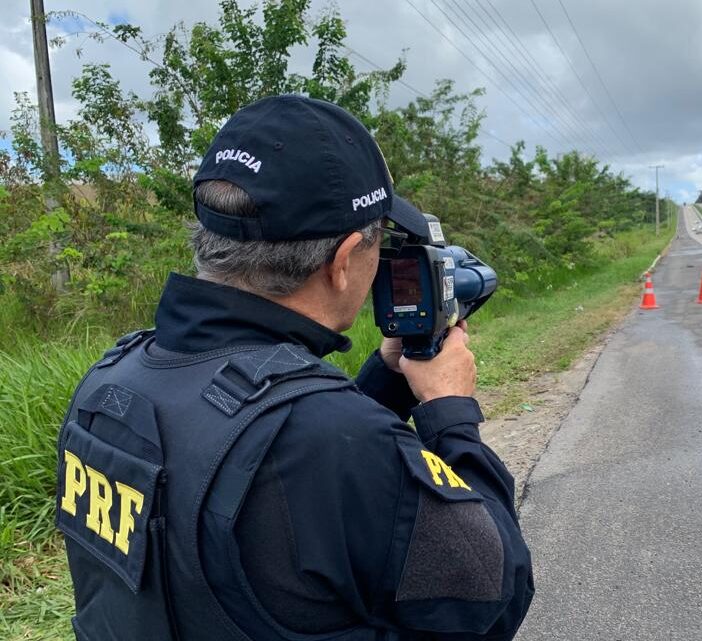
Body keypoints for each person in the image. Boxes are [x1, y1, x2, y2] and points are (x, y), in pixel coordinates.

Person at [55, 95, 534, 641]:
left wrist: (385, 380)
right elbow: (491, 599)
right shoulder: (330, 441)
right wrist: (451, 414)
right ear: (344, 259)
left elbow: (265, 484)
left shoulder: (113, 379)